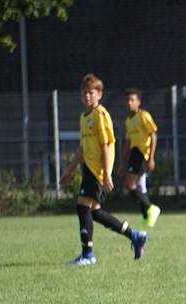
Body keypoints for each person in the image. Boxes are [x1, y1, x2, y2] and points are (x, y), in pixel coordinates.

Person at [60, 74, 148, 266]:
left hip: (97, 170)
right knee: (94, 212)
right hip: (89, 168)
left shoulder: (100, 115)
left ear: (99, 94)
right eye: (84, 92)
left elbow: (107, 145)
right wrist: (69, 170)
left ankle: (88, 255)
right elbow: (83, 147)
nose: (87, 96)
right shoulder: (84, 117)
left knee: (82, 206)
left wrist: (107, 173)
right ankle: (135, 236)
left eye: (91, 92)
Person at [119, 88, 162, 227]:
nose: (129, 103)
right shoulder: (128, 120)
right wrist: (122, 162)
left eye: (132, 100)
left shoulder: (143, 116)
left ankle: (150, 208)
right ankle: (146, 216)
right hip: (134, 153)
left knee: (129, 184)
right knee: (139, 187)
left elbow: (153, 135)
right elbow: (128, 142)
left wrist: (151, 157)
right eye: (127, 100)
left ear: (138, 102)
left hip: (142, 154)